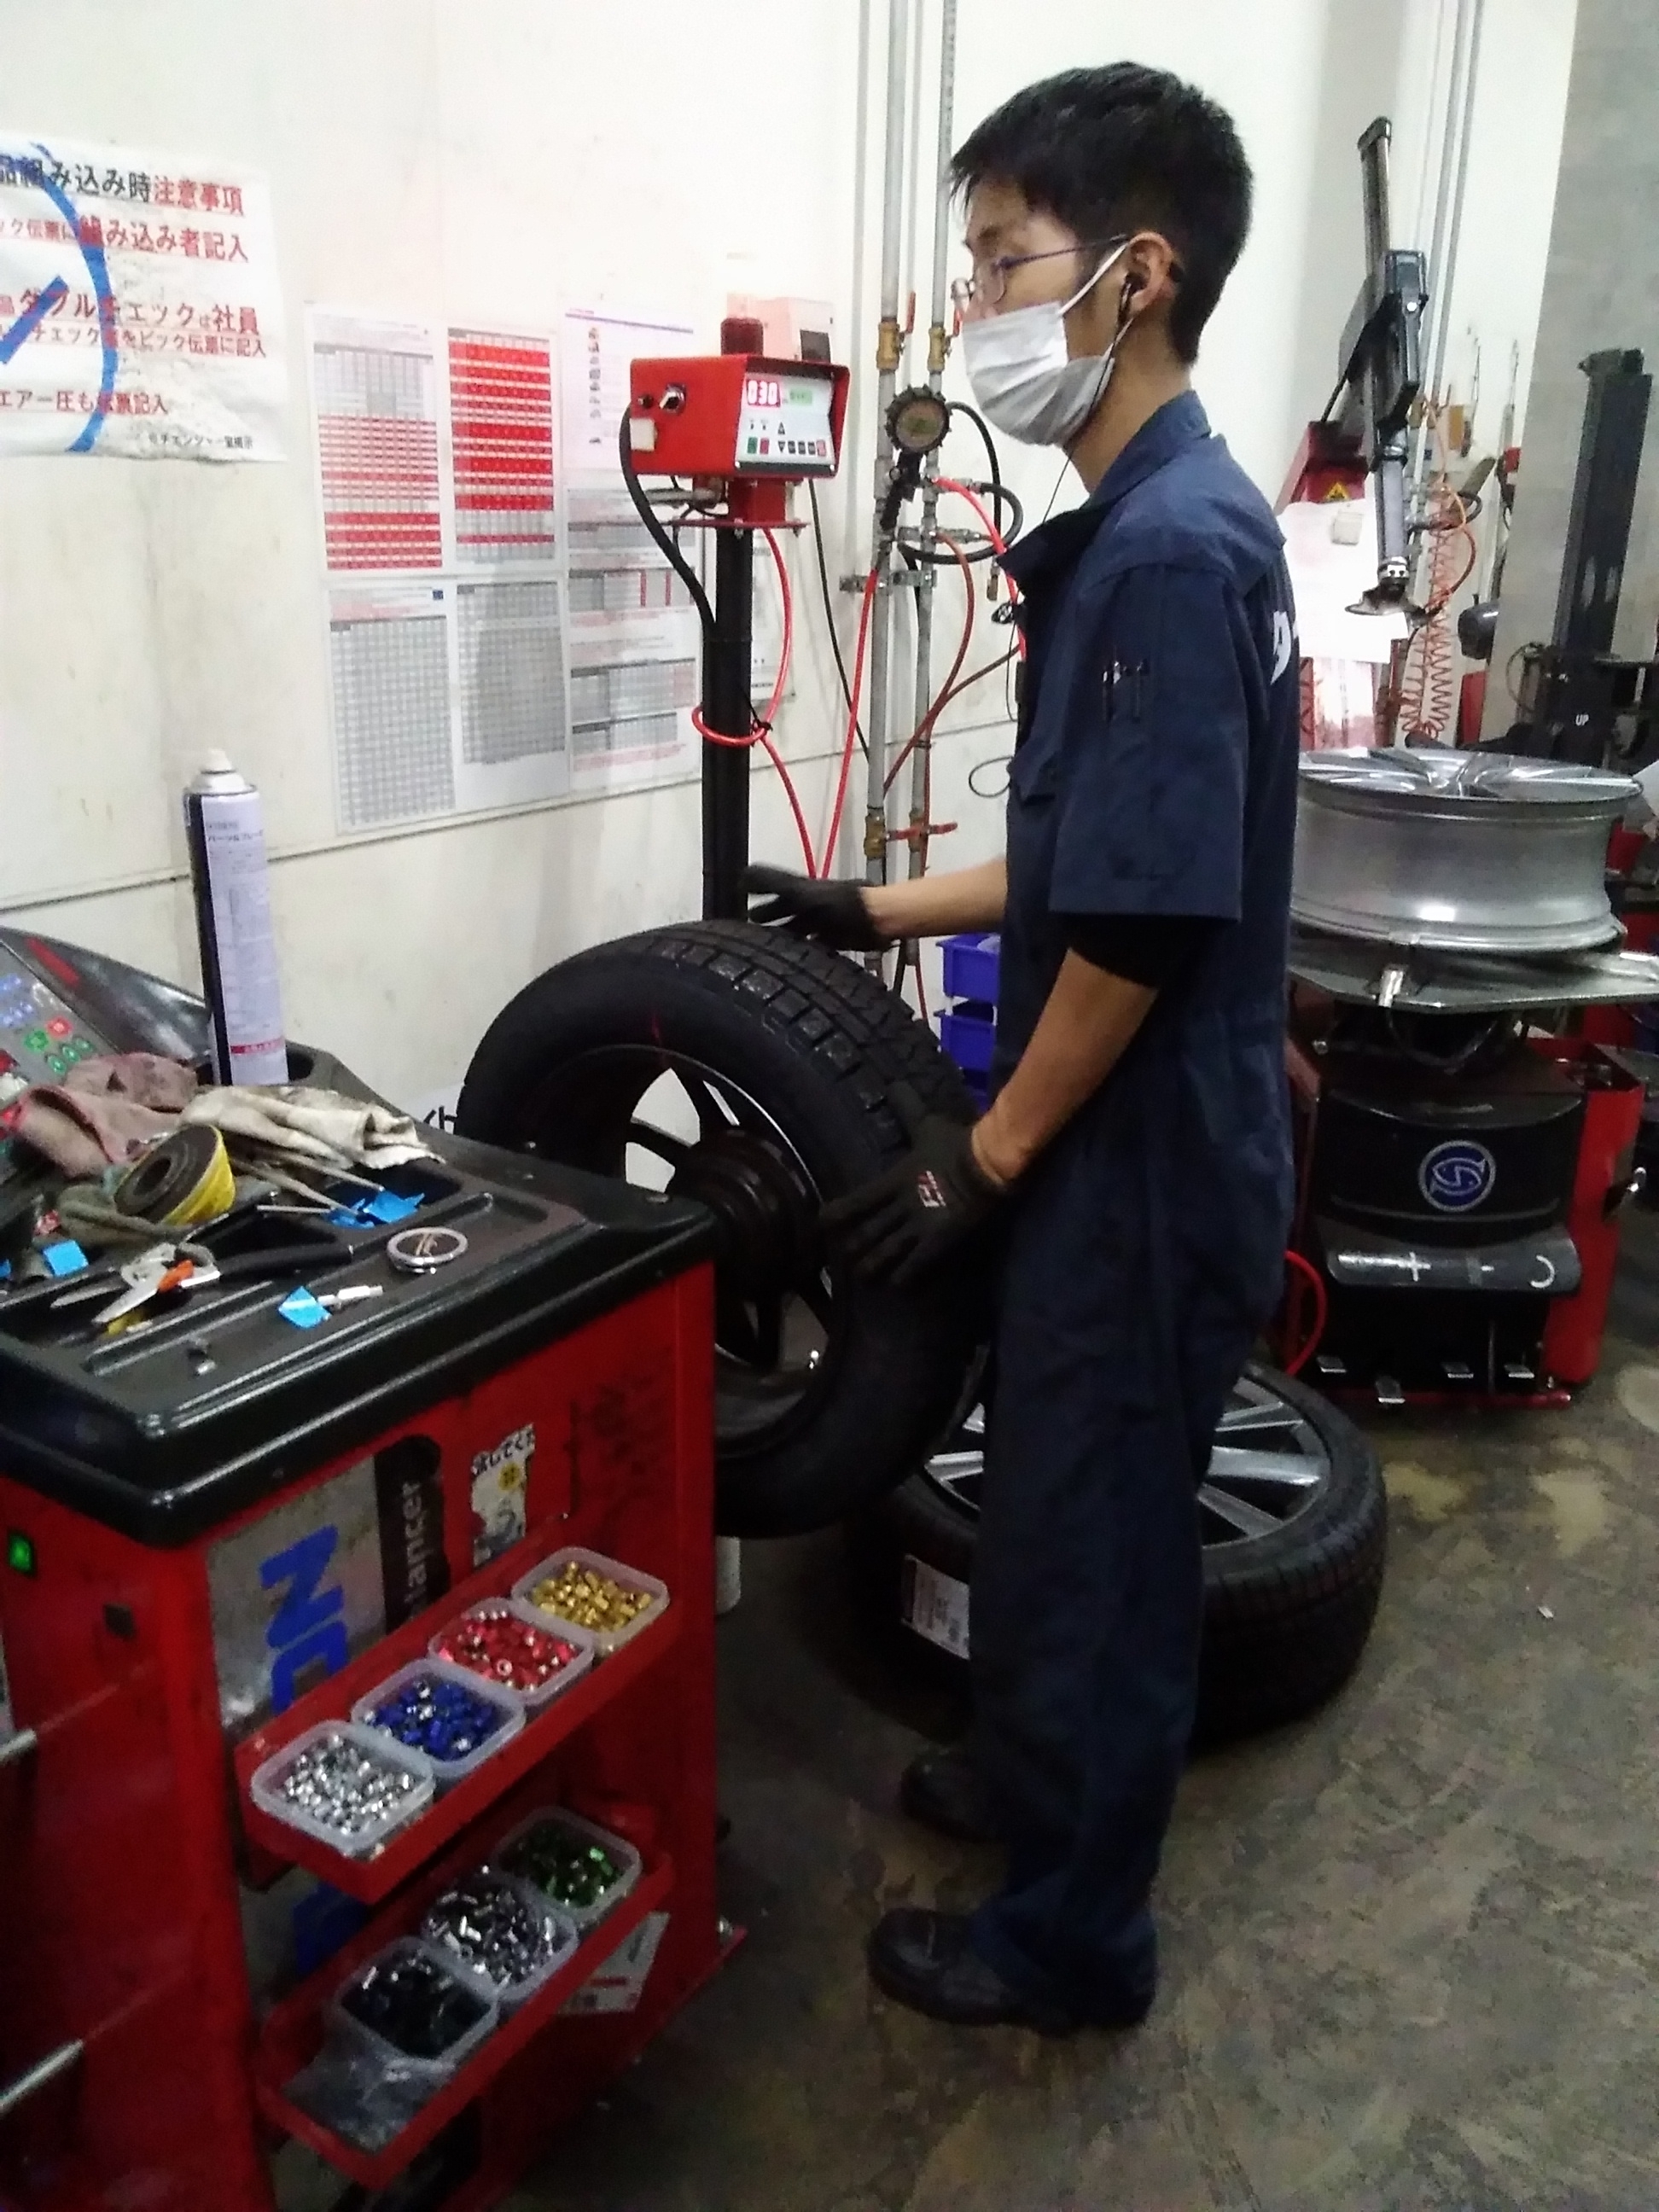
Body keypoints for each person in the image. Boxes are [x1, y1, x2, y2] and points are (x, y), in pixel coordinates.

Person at [747, 61, 1301, 2034]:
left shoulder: (1166, 554)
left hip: (1142, 1152)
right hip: (1132, 1126)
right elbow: (1090, 856)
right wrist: (872, 913)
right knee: (1058, 1496)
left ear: (1135, 275)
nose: (976, 305)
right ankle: (1026, 1773)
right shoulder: (1158, 523)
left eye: (1002, 261)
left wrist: (984, 1159)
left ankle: (1075, 1943)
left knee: (1102, 1546)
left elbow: (1139, 930)